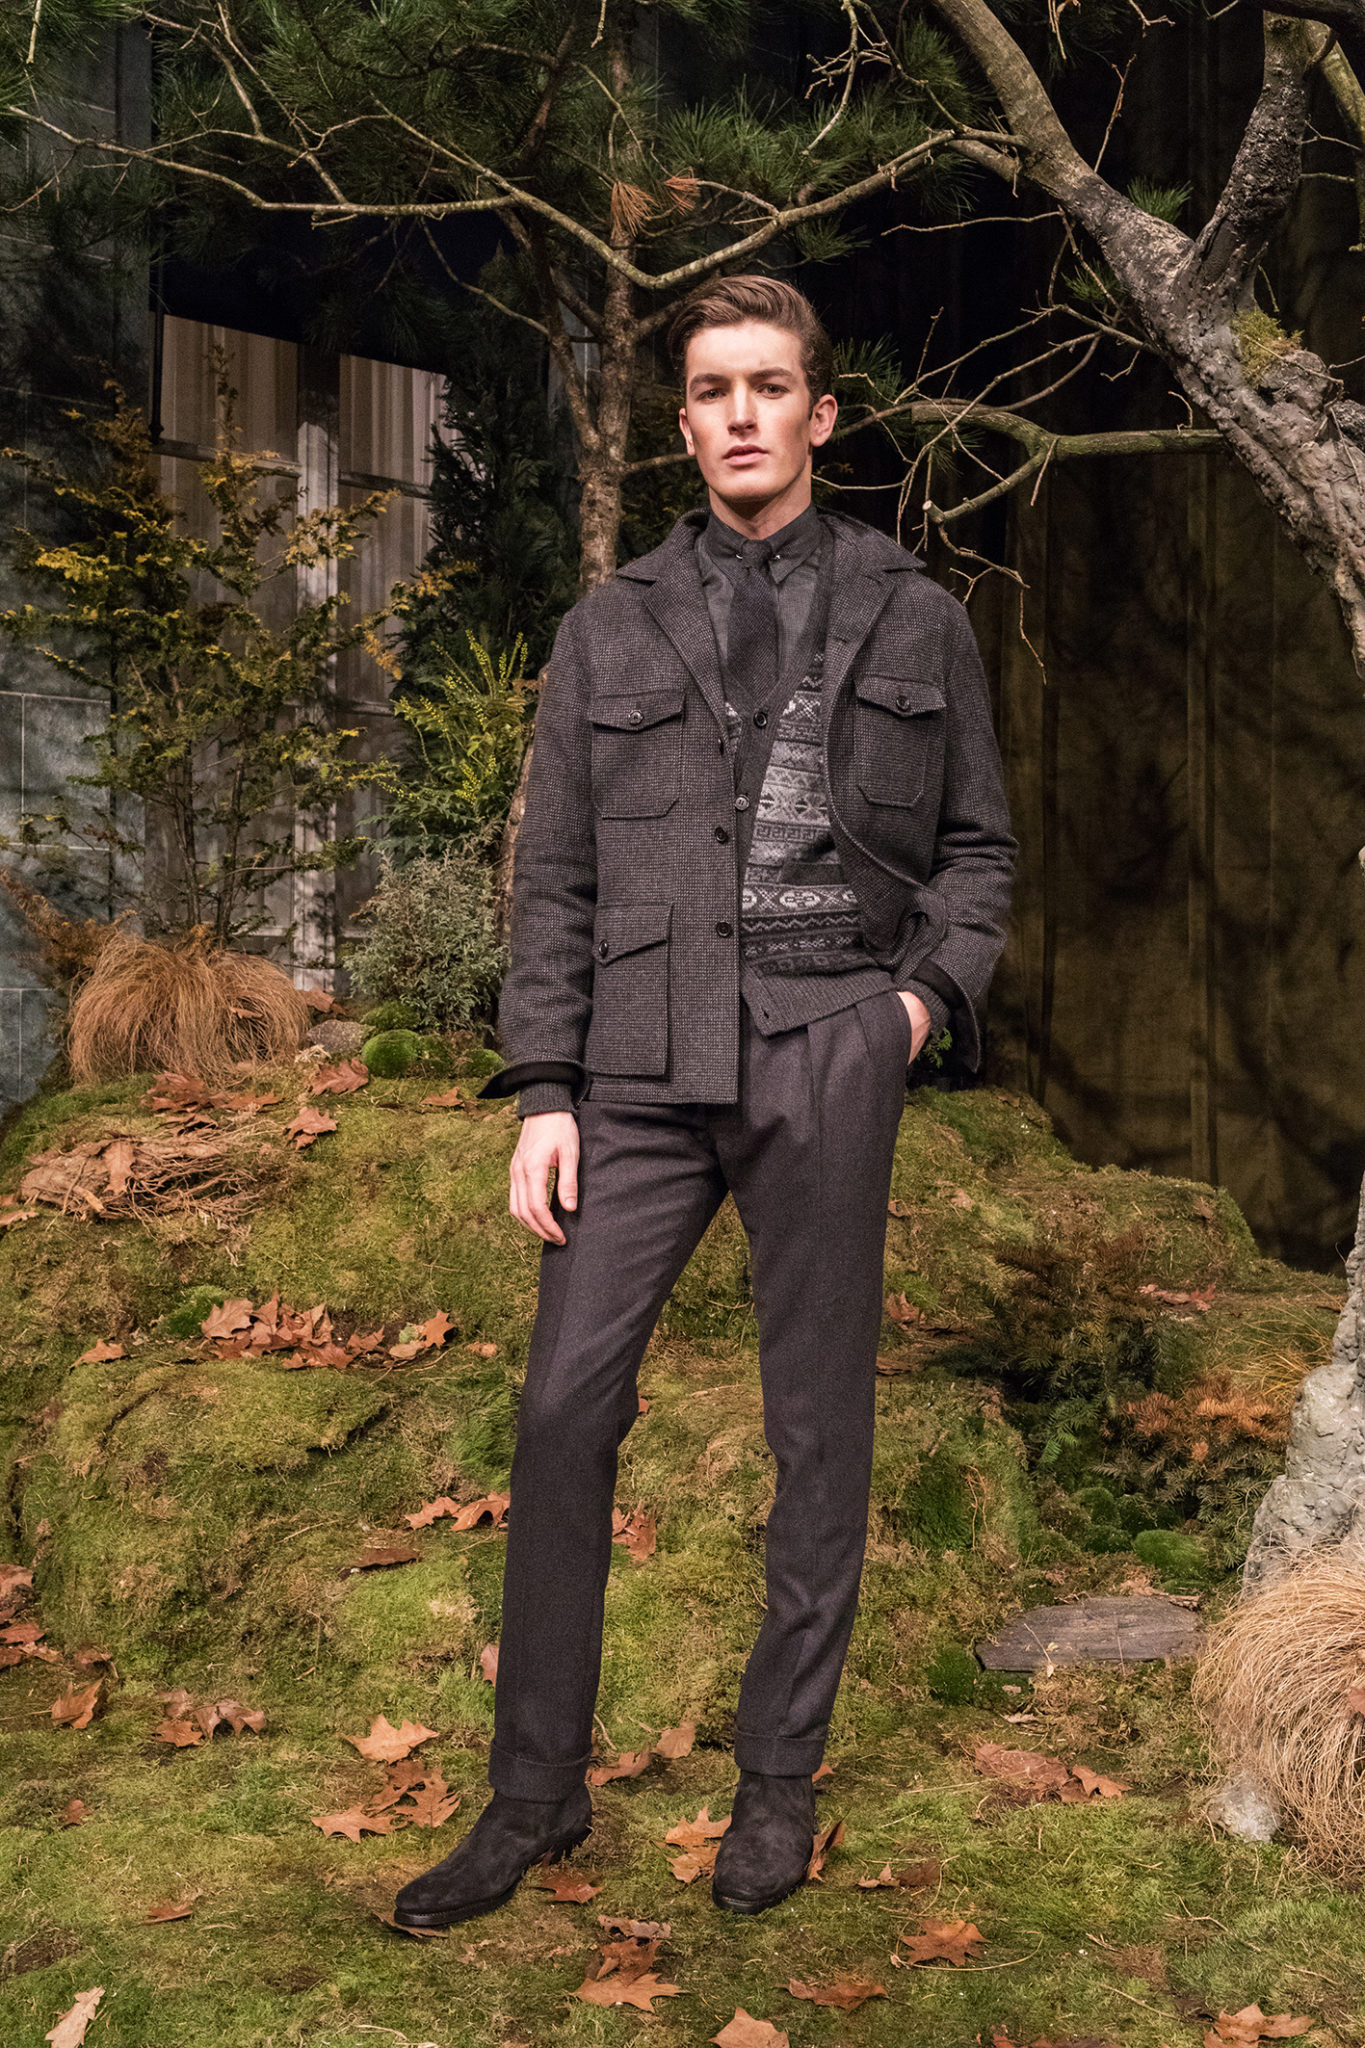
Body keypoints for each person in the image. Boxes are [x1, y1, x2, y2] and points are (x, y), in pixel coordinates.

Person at [392, 275, 1016, 1929]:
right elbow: (554, 878)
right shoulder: (609, 626)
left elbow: (977, 854)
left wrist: (911, 1008)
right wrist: (543, 1088)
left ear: (818, 412)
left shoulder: (913, 615)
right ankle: (535, 1796)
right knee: (560, 1409)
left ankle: (776, 1784)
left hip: (828, 1046)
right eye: (712, 390)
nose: (741, 412)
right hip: (637, 1065)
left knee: (816, 1430)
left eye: (768, 385)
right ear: (683, 424)